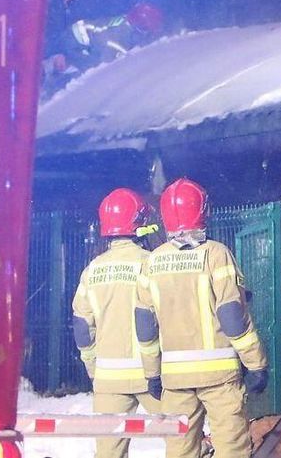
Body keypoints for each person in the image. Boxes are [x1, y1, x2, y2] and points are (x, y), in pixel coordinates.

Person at [136, 178, 267, 458]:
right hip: (219, 376)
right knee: (231, 449)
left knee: (180, 450)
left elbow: (145, 327)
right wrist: (256, 363)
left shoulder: (151, 262)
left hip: (174, 379)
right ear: (202, 210)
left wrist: (152, 374)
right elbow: (232, 317)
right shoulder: (217, 254)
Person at [71, 188, 163, 458]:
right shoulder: (151, 263)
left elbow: (81, 326)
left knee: (109, 452)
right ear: (140, 224)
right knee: (184, 440)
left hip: (108, 378)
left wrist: (93, 368)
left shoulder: (92, 270)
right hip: (153, 376)